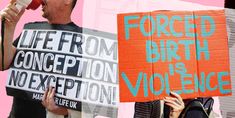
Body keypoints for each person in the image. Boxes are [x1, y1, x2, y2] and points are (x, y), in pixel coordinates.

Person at [0, 0, 78, 117]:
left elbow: (91, 105)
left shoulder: (83, 42)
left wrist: (66, 112)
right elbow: (2, 64)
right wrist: (8, 27)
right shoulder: (32, 31)